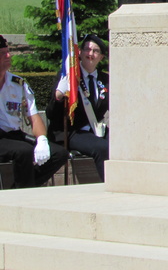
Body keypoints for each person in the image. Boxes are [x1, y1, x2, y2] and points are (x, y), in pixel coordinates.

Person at [0, 34, 68, 188]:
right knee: (23, 151)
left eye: (8, 51)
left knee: (59, 154)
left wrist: (42, 140)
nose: (8, 56)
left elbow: (34, 116)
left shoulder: (18, 84)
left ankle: (18, 190)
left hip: (13, 135)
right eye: (2, 53)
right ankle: (23, 195)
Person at [46, 34, 109, 181]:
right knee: (103, 148)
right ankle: (111, 186)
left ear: (101, 57)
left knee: (121, 143)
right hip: (72, 131)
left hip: (95, 129)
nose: (90, 54)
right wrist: (59, 97)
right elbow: (51, 113)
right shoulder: (68, 76)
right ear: (79, 53)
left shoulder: (105, 79)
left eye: (95, 51)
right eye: (87, 49)